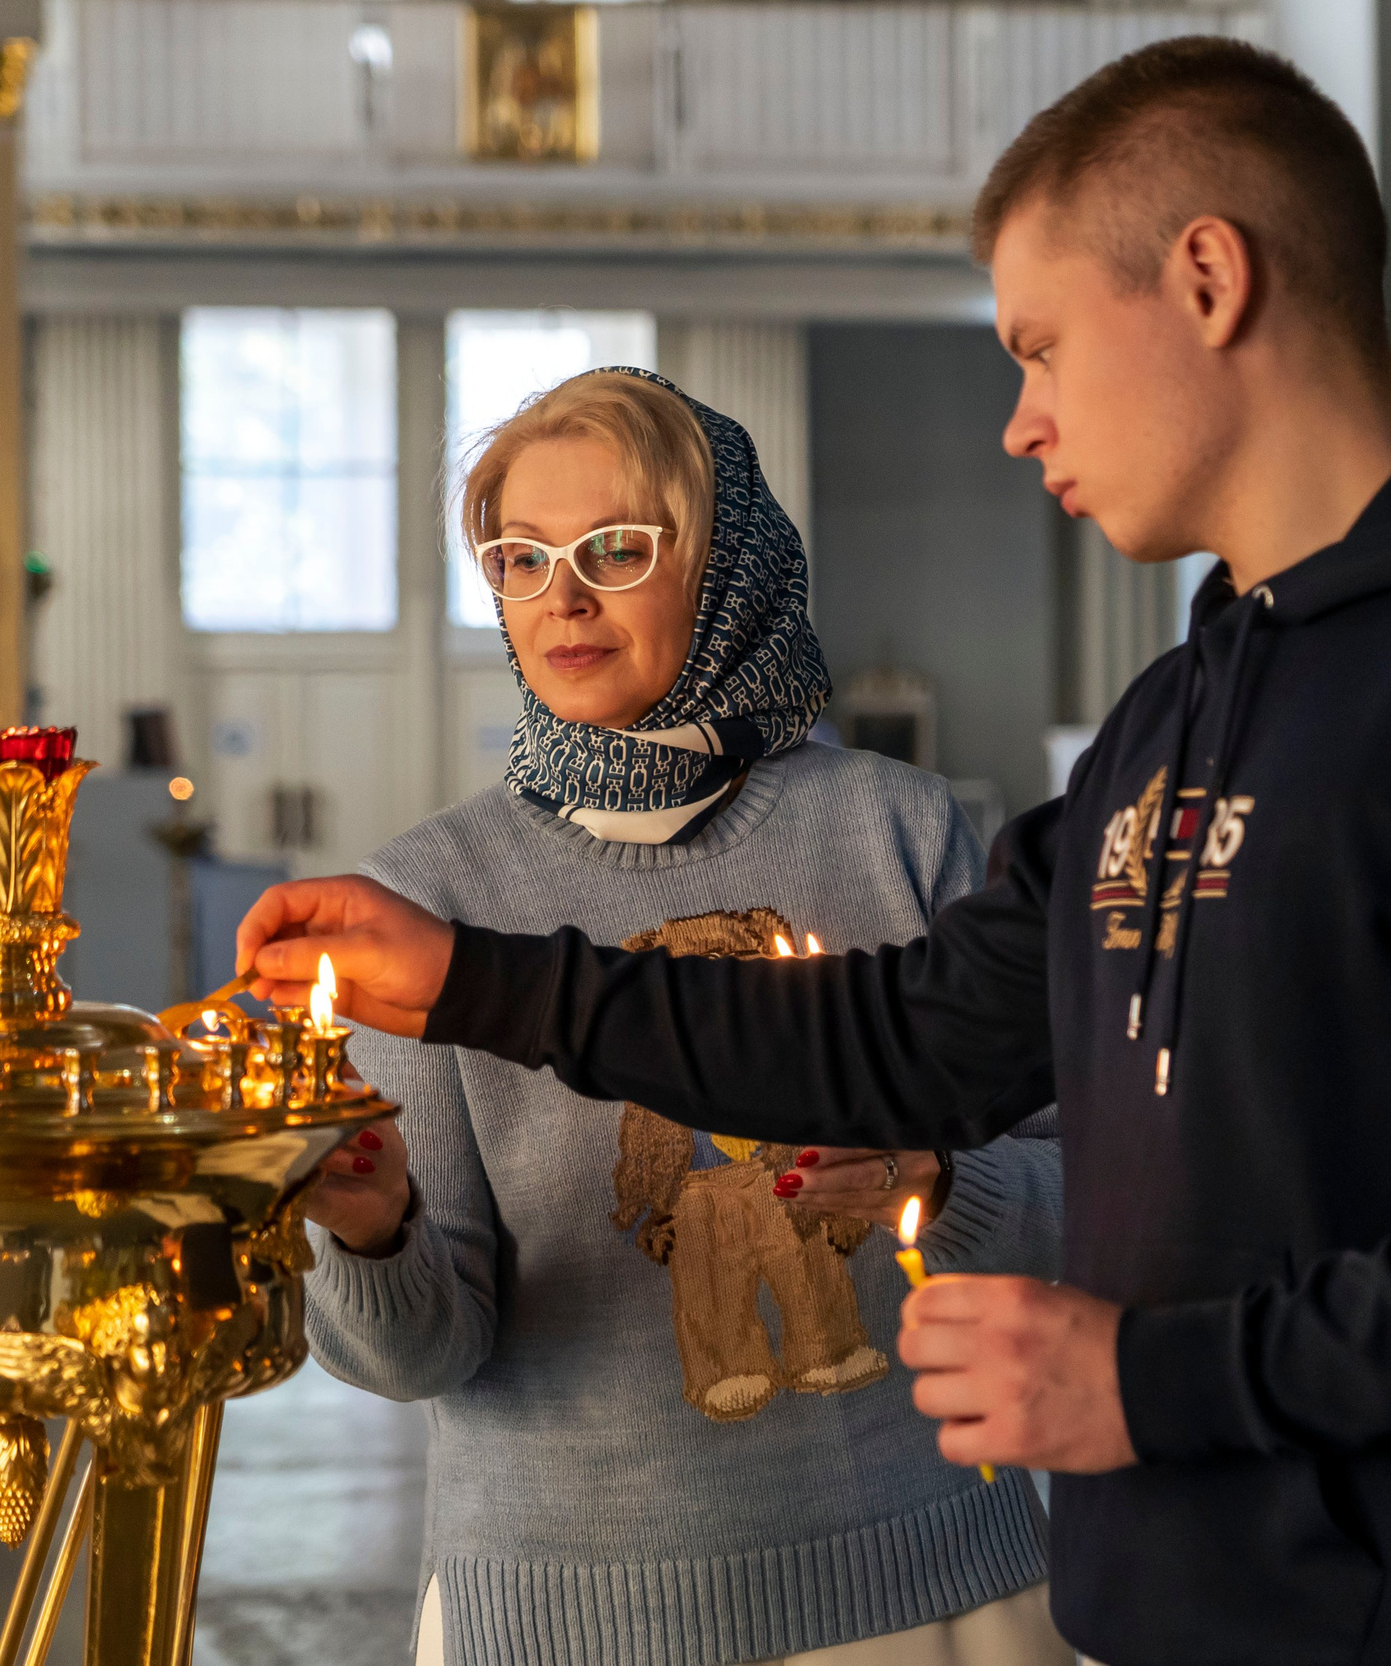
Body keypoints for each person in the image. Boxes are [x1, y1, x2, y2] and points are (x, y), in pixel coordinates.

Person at [238, 37, 1391, 1665]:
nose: (1017, 420)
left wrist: (1145, 1379)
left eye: (1041, 346)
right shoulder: (1171, 723)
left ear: (1207, 278)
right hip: (1190, 1609)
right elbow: (902, 1033)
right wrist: (479, 977)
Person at [300, 369, 1070, 1666]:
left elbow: (1087, 1193)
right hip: (566, 1623)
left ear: (725, 566)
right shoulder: (428, 903)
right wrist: (371, 1234)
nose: (564, 593)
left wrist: (939, 1178)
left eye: (617, 546)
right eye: (520, 555)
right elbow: (427, 1349)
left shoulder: (899, 829)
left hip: (919, 1590)